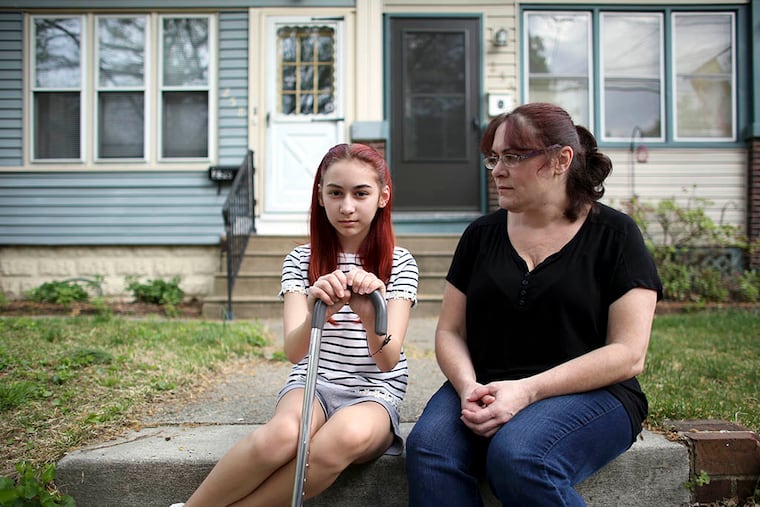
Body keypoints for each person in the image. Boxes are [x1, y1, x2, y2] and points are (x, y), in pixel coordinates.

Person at [405, 102, 663, 507]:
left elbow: (628, 355)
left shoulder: (616, 235)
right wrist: (468, 386)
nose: (497, 170)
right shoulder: (480, 235)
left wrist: (527, 392)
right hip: (485, 383)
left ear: (561, 159)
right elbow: (451, 331)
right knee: (430, 449)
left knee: (520, 456)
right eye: (494, 158)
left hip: (594, 394)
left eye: (513, 157)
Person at [174, 143, 418, 507]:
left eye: (360, 193)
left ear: (382, 197)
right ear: (320, 196)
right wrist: (313, 305)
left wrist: (371, 317)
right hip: (312, 381)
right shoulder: (301, 260)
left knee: (340, 439)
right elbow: (294, 351)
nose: (346, 206)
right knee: (282, 436)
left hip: (374, 393)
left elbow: (387, 361)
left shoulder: (399, 263)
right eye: (335, 193)